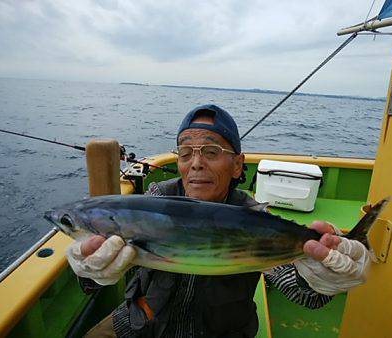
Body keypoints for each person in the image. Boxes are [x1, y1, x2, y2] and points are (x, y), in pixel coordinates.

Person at [67, 104, 371, 337]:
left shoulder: (256, 221)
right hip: (138, 326)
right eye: (186, 153)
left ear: (238, 165)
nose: (196, 163)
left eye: (211, 151)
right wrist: (90, 272)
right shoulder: (154, 201)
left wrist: (322, 279)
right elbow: (97, 277)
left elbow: (301, 292)